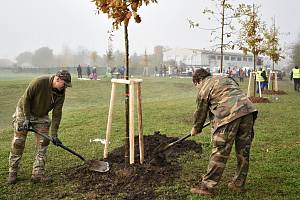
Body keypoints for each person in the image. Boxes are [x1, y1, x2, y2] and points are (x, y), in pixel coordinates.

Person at [190, 68, 257, 196]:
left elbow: (200, 112)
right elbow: (232, 93)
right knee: (243, 150)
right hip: (248, 110)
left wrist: (196, 128)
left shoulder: (204, 86)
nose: (197, 88)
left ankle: (207, 187)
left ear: (198, 81)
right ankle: (238, 184)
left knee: (220, 150)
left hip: (230, 115)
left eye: (196, 86)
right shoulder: (224, 77)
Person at [7, 70, 72, 184]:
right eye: (64, 84)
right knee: (19, 142)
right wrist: (27, 118)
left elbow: (57, 113)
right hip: (24, 110)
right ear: (57, 79)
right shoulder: (39, 82)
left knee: (44, 141)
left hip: (41, 115)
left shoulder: (61, 93)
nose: (65, 87)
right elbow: (26, 99)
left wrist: (54, 135)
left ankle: (37, 174)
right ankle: (12, 172)